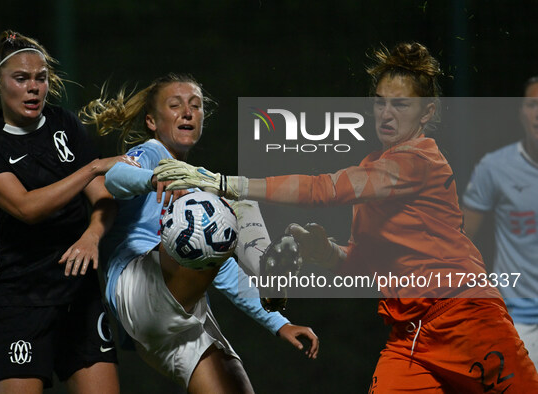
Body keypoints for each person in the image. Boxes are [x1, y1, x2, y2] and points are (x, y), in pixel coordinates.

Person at [154, 43, 538, 392]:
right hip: (409, 339)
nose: (386, 114)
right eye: (380, 102)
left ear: (427, 112)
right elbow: (364, 261)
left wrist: (225, 183)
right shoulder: (375, 167)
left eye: (400, 105)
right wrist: (325, 251)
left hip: (465, 318)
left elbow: (325, 189)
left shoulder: (419, 162)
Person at [80, 73, 319, 393]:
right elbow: (116, 178)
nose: (188, 112)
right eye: (175, 105)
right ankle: (262, 260)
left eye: (196, 106)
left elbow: (224, 270)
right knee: (224, 200)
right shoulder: (152, 153)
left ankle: (263, 271)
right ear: (151, 121)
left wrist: (278, 323)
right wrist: (152, 179)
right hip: (138, 285)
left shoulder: (197, 182)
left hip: (177, 311)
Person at [0, 30, 138, 394]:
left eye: (40, 78)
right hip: (17, 300)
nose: (33, 88)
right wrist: (91, 167)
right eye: (21, 79)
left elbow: (102, 200)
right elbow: (26, 207)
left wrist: (91, 237)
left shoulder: (65, 124)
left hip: (79, 295)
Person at [462, 76, 538, 366]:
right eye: (532, 105)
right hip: (515, 321)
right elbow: (459, 240)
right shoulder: (495, 168)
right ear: (521, 112)